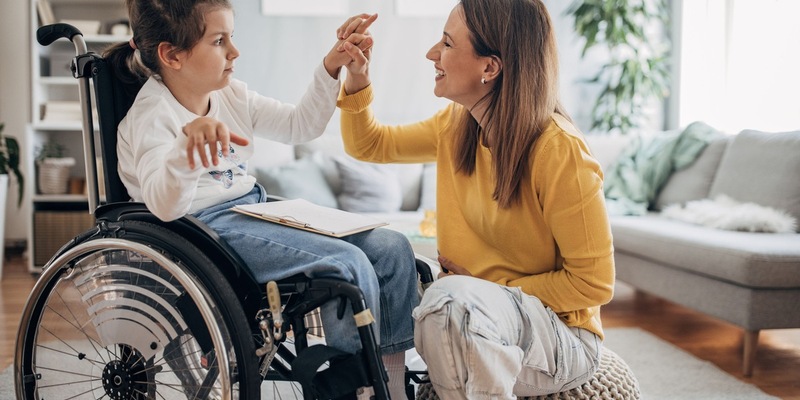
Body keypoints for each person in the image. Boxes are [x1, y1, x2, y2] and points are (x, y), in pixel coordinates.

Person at [104, 1, 418, 397]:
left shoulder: (231, 95)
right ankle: (352, 388)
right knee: (345, 264)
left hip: (254, 210)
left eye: (231, 37)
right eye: (219, 41)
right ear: (172, 55)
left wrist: (330, 67)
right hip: (205, 231)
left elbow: (300, 125)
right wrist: (186, 149)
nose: (234, 51)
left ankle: (390, 386)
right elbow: (164, 206)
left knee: (392, 248)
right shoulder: (152, 116)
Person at [336, 0, 615, 398]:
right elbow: (370, 144)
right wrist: (357, 75)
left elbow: (593, 284)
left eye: (447, 43)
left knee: (450, 303)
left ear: (490, 67)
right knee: (389, 271)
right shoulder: (455, 126)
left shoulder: (559, 150)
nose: (431, 53)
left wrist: (486, 287)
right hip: (470, 313)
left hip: (561, 336)